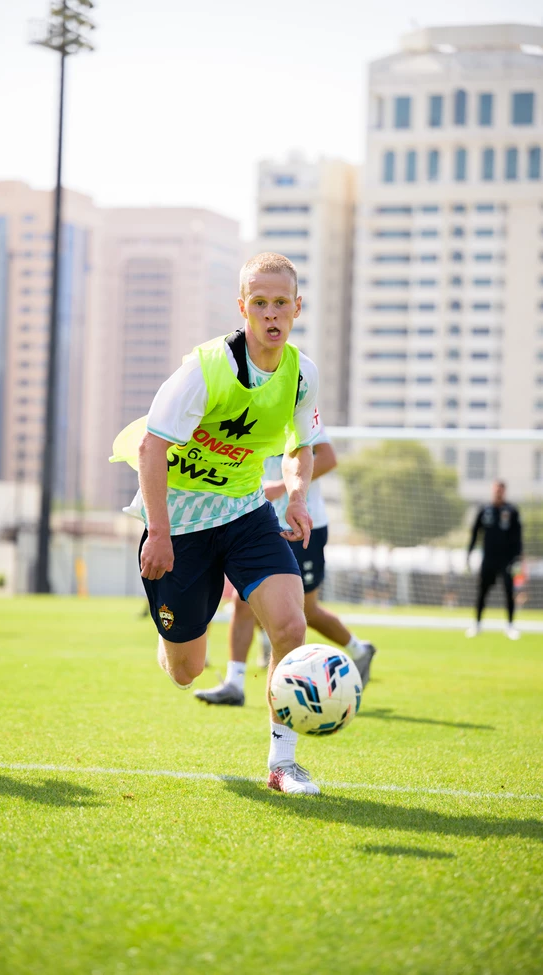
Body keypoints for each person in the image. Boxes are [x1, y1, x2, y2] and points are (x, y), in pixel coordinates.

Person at [113, 253, 328, 794]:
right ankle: (173, 634)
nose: (271, 313)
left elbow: (301, 447)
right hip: (181, 523)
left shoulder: (302, 374)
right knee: (187, 670)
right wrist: (159, 532)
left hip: (246, 513)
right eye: (260, 303)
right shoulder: (205, 370)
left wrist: (297, 498)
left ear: (297, 308)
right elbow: (151, 448)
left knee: (291, 625)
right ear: (243, 307)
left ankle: (282, 764)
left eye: (281, 303)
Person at [194, 439, 376, 706]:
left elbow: (328, 459)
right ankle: (234, 684)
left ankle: (358, 650)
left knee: (307, 611)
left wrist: (282, 487)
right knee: (242, 602)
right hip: (261, 524)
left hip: (303, 525)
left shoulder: (302, 415)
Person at [466, 480, 522, 640]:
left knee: (509, 591)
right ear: (492, 491)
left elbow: (517, 536)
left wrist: (517, 557)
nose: (498, 493)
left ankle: (510, 626)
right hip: (489, 558)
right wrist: (469, 553)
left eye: (501, 490)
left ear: (504, 491)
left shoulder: (511, 511)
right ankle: (477, 624)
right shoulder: (485, 510)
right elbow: (475, 532)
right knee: (482, 591)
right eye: (496, 490)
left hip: (506, 559)